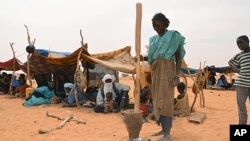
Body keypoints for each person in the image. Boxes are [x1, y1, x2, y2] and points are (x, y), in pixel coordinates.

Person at [148, 13, 185, 141]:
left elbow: (179, 57)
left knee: (167, 101)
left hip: (168, 70)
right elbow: (151, 57)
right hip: (156, 70)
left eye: (158, 25)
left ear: (165, 23)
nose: (156, 28)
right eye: (154, 26)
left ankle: (167, 134)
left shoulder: (173, 36)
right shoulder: (153, 39)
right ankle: (163, 129)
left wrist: (177, 75)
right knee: (158, 100)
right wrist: (140, 58)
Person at [228, 35, 250, 125]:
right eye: (237, 44)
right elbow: (230, 62)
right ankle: (242, 124)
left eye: (241, 42)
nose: (239, 45)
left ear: (247, 41)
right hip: (242, 83)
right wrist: (237, 70)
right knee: (241, 105)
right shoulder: (239, 55)